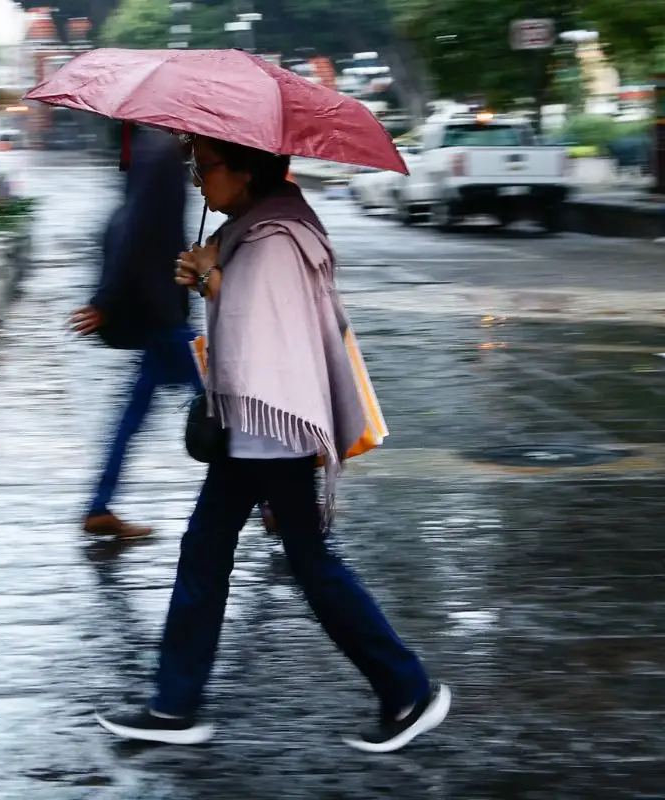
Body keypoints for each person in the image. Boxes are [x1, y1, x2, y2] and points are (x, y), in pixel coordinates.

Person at [95, 136, 450, 753]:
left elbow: (264, 337)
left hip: (270, 431)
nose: (199, 182)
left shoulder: (273, 239)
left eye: (205, 169)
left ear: (241, 172)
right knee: (218, 555)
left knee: (300, 566)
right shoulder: (260, 226)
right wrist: (210, 276)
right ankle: (178, 702)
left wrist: (212, 280)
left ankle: (406, 689)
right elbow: (250, 317)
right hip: (257, 431)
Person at [70, 126, 200, 540]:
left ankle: (99, 504)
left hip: (160, 308)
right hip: (162, 311)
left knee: (134, 413)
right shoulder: (158, 152)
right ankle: (272, 500)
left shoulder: (154, 150)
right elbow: (133, 227)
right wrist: (105, 300)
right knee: (225, 401)